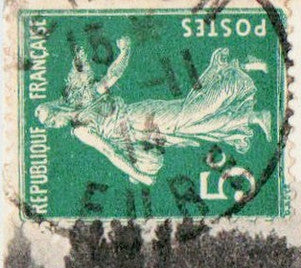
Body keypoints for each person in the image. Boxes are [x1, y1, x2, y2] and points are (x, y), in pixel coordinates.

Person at [35, 37, 273, 186]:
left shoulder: (83, 107)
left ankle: (236, 68)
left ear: (57, 110)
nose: (54, 126)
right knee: (194, 129)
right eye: (50, 125)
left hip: (140, 117)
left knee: (192, 114)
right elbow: (112, 151)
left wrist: (125, 52)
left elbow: (111, 79)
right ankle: (253, 116)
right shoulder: (78, 128)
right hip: (142, 135)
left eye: (51, 120)